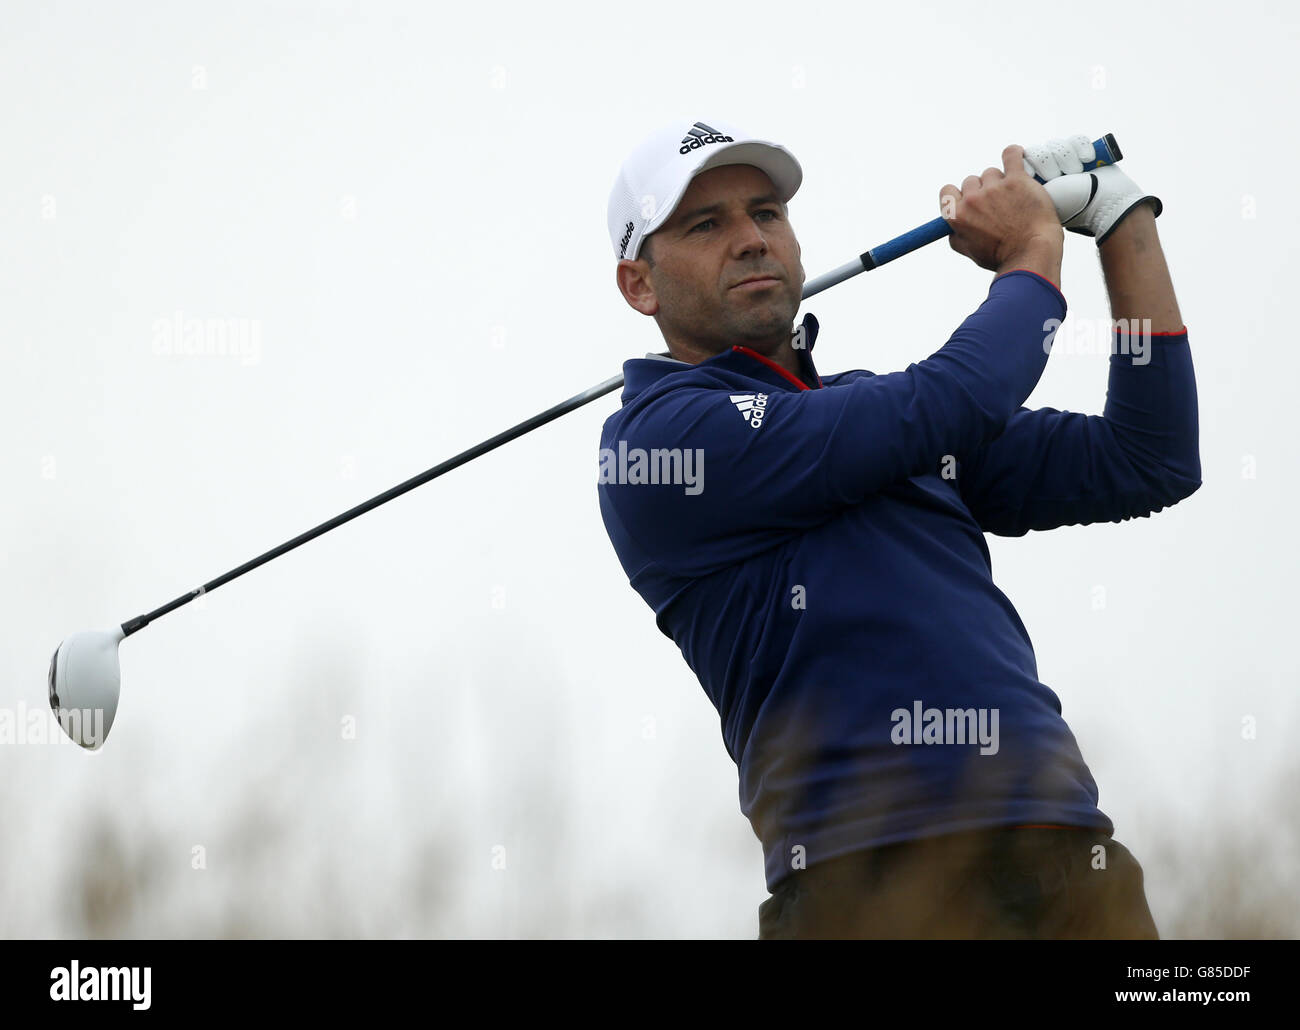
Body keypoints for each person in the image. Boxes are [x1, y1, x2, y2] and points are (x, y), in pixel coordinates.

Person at [597, 118, 1200, 938]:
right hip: (869, 887)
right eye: (706, 225)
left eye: (766, 213)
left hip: (1067, 856)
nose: (750, 240)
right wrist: (1031, 253)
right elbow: (956, 397)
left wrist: (1121, 222)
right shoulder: (660, 442)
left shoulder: (877, 412)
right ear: (640, 286)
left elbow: (1147, 457)